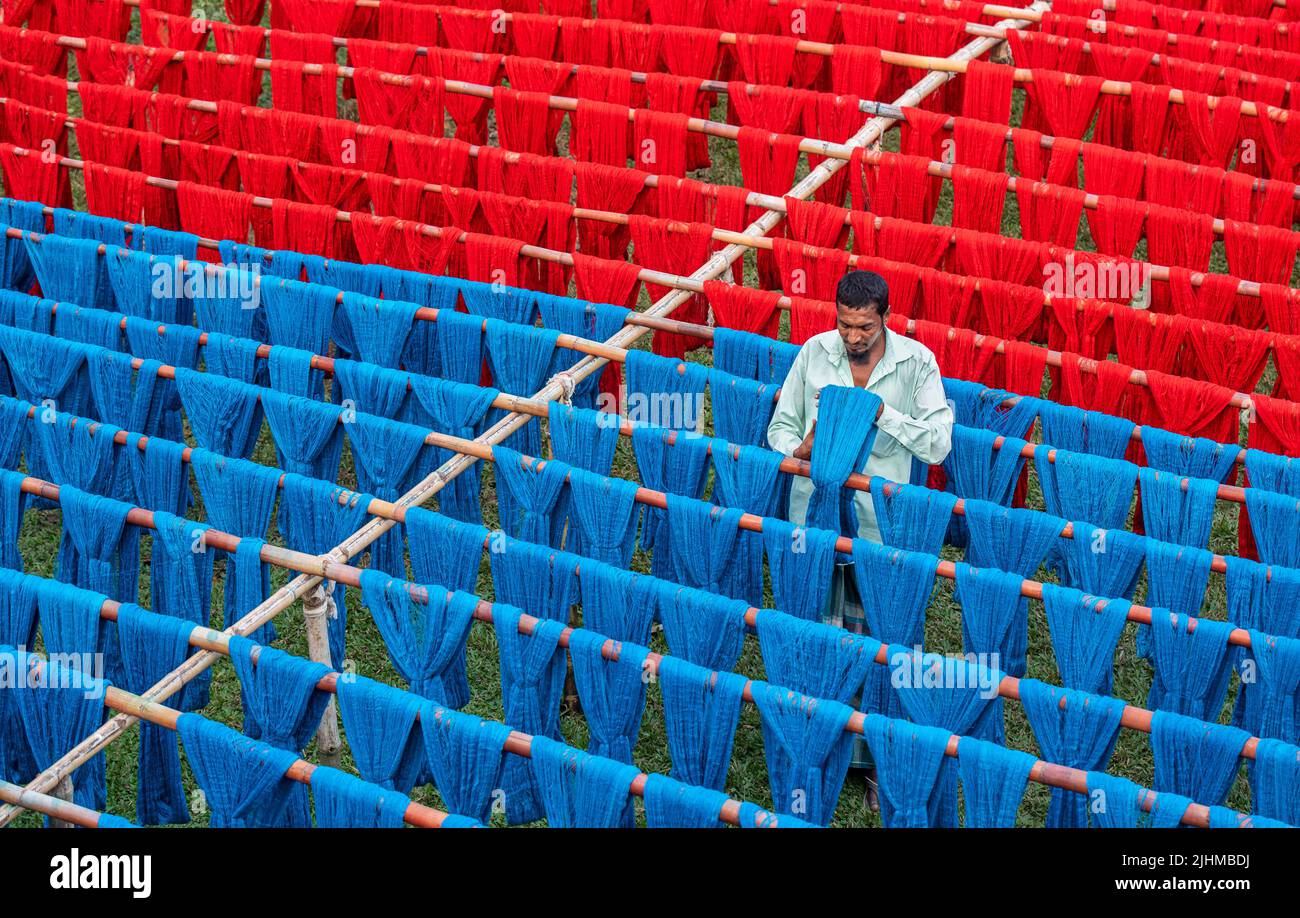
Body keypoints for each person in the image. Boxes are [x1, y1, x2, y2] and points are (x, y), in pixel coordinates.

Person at [766, 269, 954, 813]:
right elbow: (778, 429)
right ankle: (823, 748)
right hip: (818, 522)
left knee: (881, 643)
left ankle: (875, 762)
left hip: (880, 530)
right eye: (845, 324)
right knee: (823, 636)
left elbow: (939, 445)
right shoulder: (813, 355)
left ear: (885, 319)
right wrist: (801, 447)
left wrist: (882, 415)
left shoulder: (916, 365)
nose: (852, 337)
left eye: (864, 327)